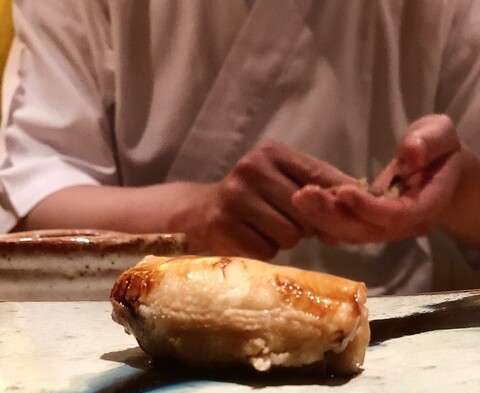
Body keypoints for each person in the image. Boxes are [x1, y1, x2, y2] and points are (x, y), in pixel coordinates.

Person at [0, 0, 479, 295]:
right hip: (134, 340)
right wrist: (196, 216)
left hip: (391, 340)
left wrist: (453, 191)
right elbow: (29, 204)